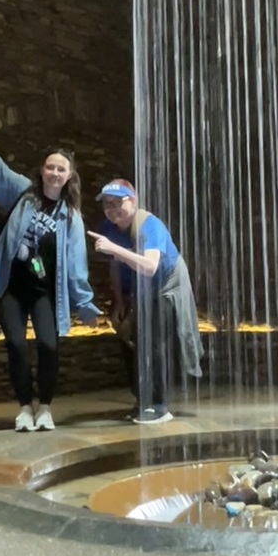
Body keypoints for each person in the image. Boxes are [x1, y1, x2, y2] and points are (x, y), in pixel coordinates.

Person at [0, 105, 100, 432]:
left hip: (44, 292)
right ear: (42, 171)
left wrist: (84, 303)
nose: (55, 173)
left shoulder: (70, 217)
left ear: (69, 175)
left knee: (48, 345)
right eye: (50, 167)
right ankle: (23, 408)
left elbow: (75, 264)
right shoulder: (21, 193)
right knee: (15, 345)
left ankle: (44, 407)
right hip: (10, 288)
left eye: (62, 169)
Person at [87, 180, 203, 424]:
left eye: (118, 202)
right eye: (107, 204)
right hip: (138, 287)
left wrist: (113, 249)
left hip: (165, 284)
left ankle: (159, 405)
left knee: (153, 341)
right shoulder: (109, 228)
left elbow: (150, 267)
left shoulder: (150, 226)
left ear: (133, 201)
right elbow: (115, 266)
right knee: (129, 339)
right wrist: (119, 300)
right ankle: (142, 400)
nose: (112, 208)